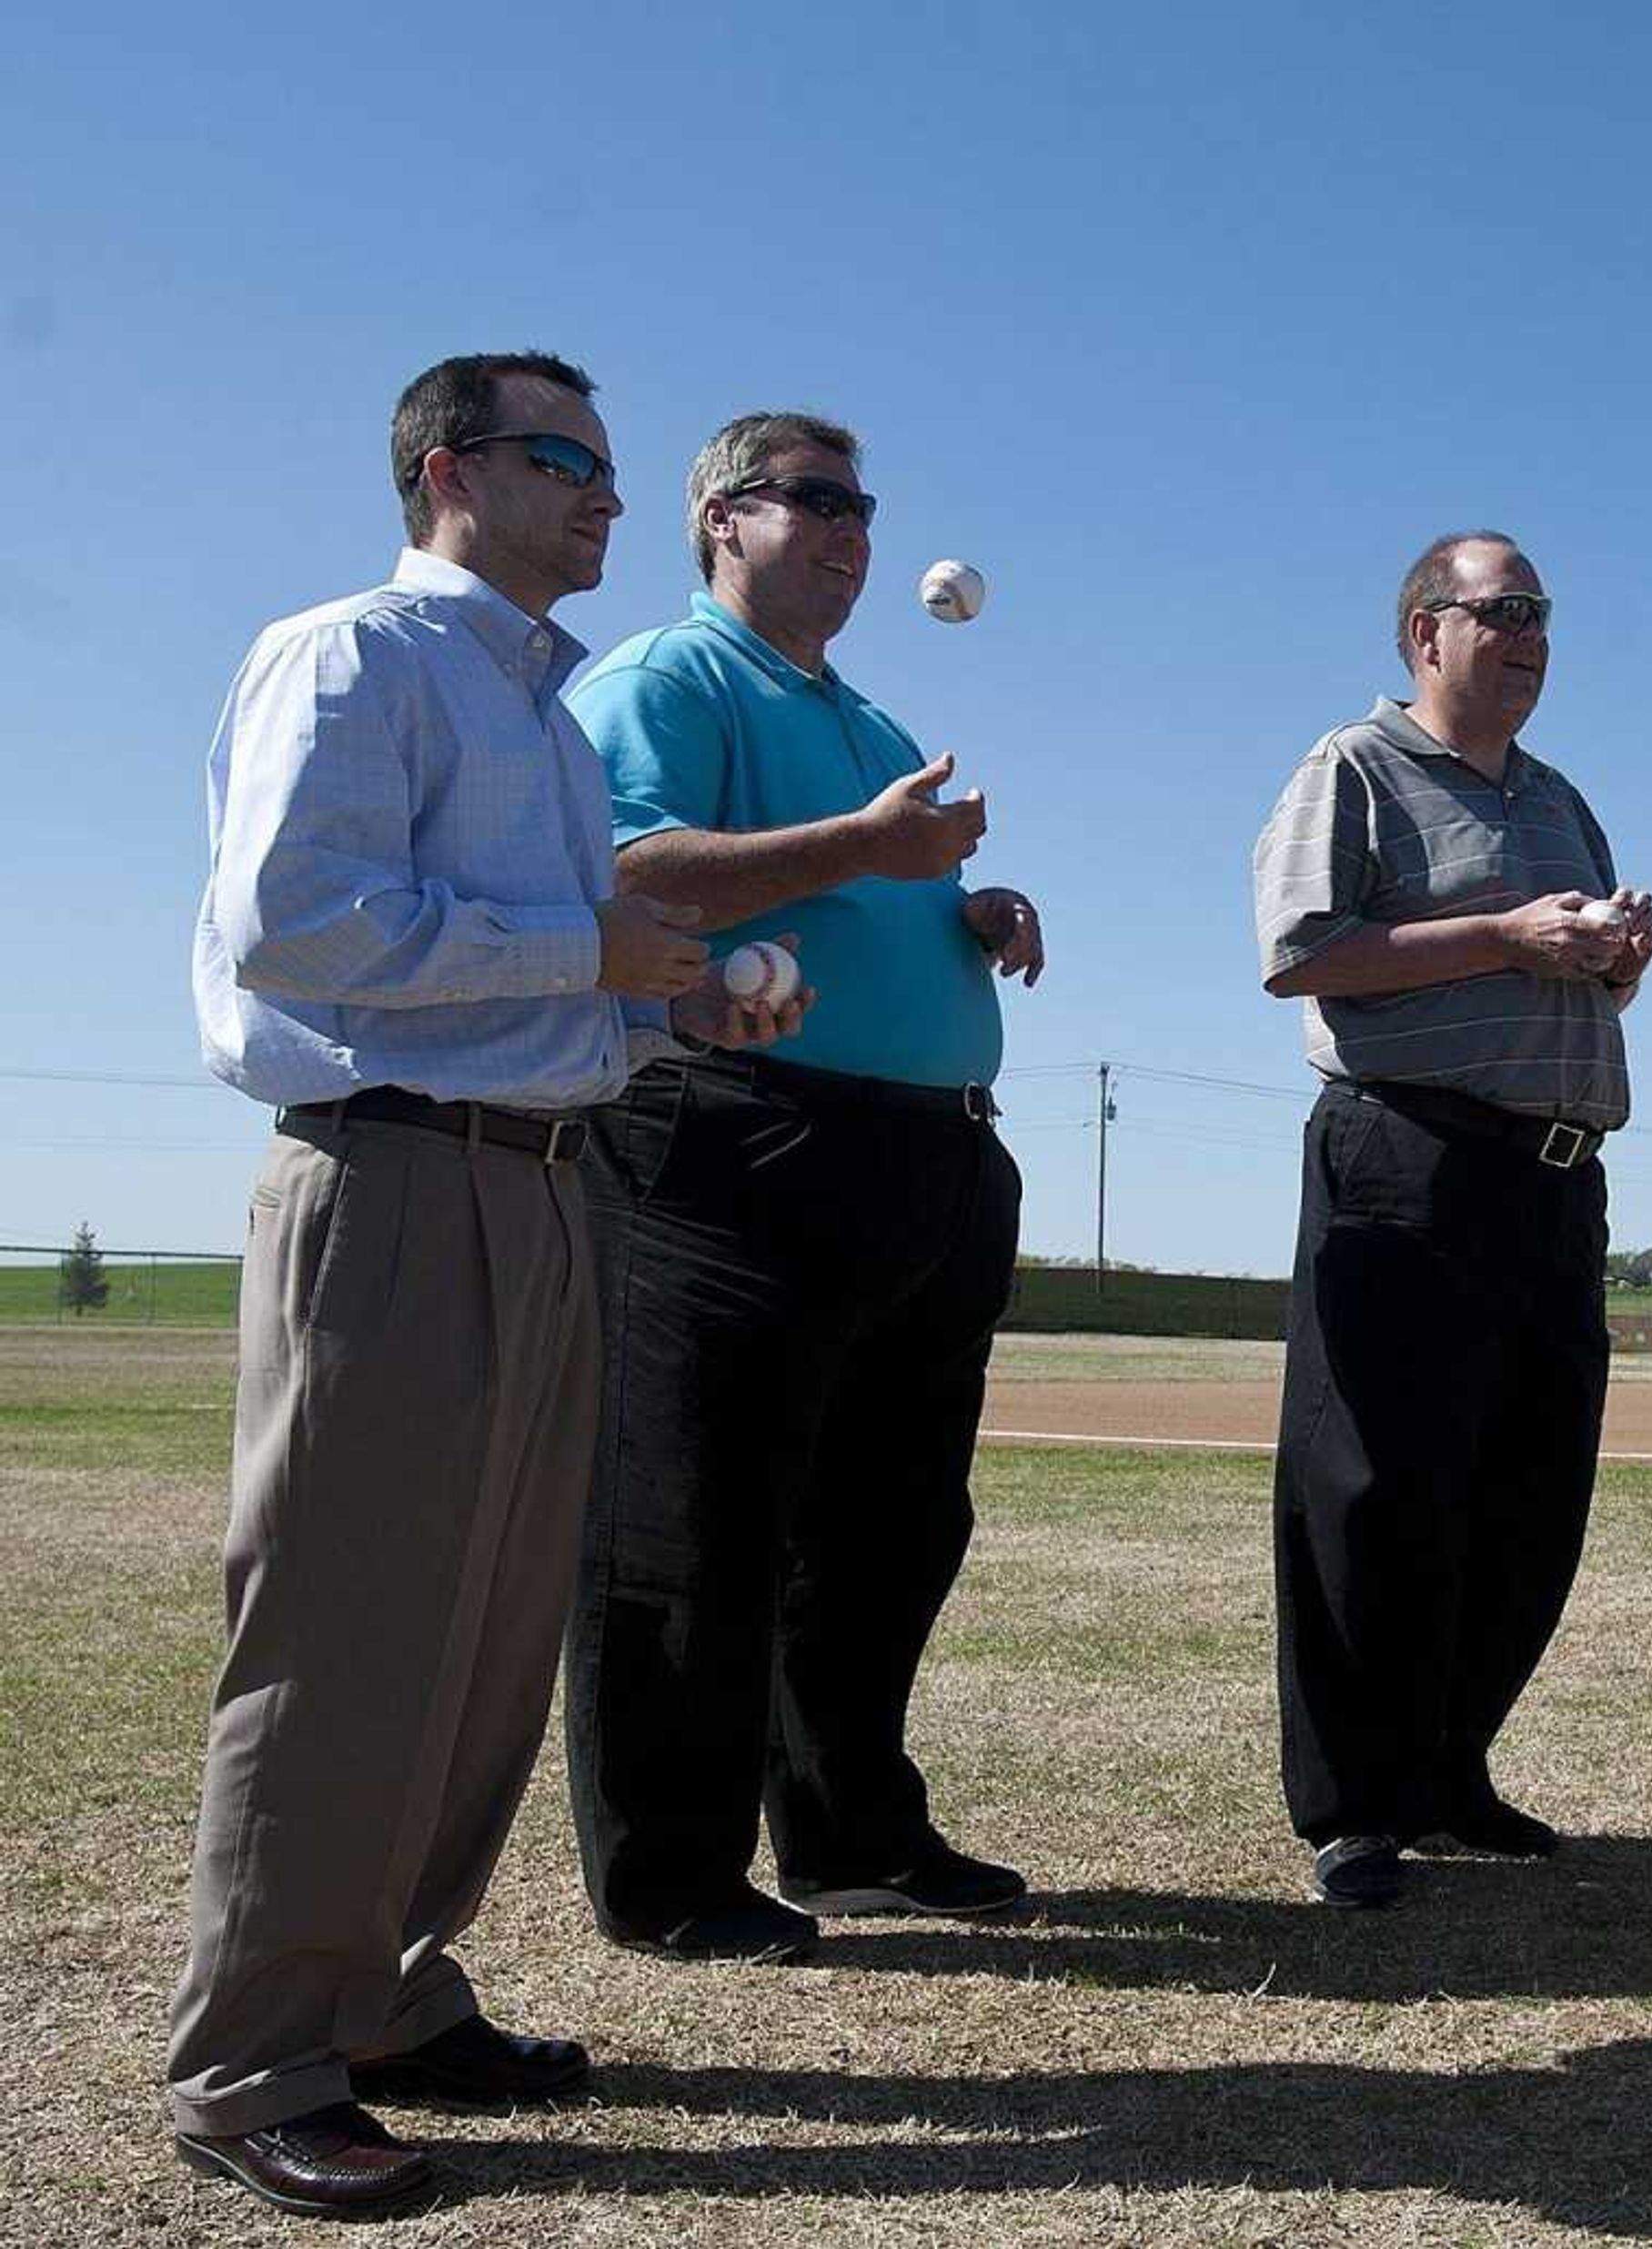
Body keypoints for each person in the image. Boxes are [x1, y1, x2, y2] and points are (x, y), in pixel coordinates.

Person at [174, 350, 808, 2219]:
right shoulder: (356, 654)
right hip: (389, 1181)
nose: (607, 496)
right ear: (448, 468)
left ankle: (383, 1998)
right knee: (348, 1633)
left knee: (478, 1638)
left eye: (608, 467)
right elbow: (294, 924)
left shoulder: (532, 707)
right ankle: (251, 2062)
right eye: (568, 462)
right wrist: (588, 942)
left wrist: (665, 990)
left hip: (540, 1188)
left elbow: (530, 963)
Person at [559, 409, 1045, 1963]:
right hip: (738, 1135)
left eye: (863, 507)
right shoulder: (667, 679)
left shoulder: (877, 724)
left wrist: (976, 914)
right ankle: (674, 1876)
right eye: (815, 501)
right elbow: (622, 877)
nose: (852, 531)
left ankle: (850, 1832)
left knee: (893, 1519)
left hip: (926, 1154)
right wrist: (863, 847)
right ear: (720, 520)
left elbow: (879, 887)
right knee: (695, 1517)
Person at [1249, 530, 1652, 1909]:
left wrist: (1611, 958)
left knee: (1527, 1491)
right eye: (1507, 612)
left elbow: (1573, 978)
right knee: (1372, 1487)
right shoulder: (1353, 769)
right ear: (1428, 632)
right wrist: (1505, 936)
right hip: (1408, 1158)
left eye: (1545, 613)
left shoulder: (1557, 799)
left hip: (1552, 1176)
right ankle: (1355, 1808)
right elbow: (1301, 956)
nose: (1535, 635)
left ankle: (1446, 1770)